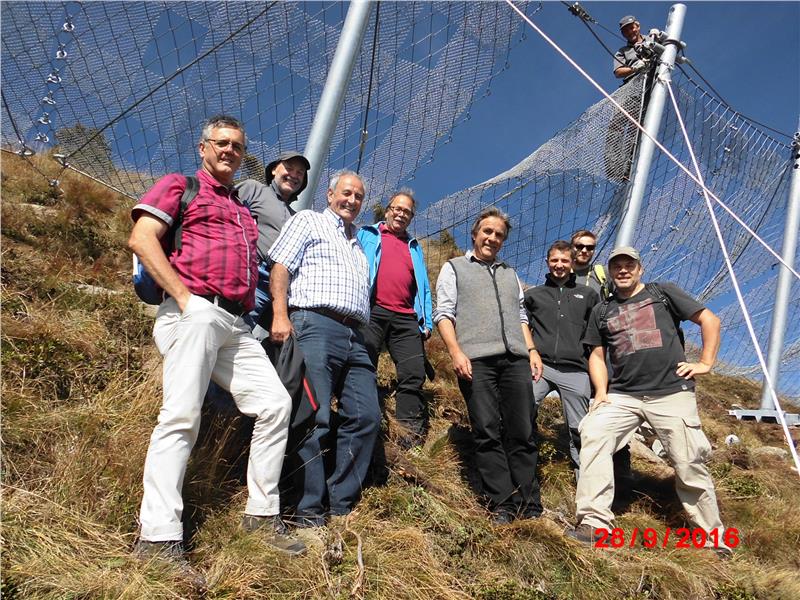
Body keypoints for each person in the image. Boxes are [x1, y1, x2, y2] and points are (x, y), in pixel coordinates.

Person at [128, 115, 305, 568]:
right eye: (222, 143)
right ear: (204, 147)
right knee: (181, 416)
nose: (229, 151)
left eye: (237, 146)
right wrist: (186, 300)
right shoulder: (181, 185)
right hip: (194, 311)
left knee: (275, 405)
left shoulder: (243, 209)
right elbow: (142, 239)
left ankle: (261, 516)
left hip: (235, 323)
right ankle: (158, 538)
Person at [569, 246, 731, 555]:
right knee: (593, 432)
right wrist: (601, 391)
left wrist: (706, 363)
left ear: (640, 269)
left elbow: (710, 319)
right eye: (617, 266)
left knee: (688, 462)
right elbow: (597, 355)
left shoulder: (662, 293)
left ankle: (713, 539)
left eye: (629, 265)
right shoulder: (602, 310)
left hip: (671, 392)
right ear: (610, 272)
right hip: (623, 395)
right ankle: (594, 523)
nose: (623, 270)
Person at [268, 170, 381, 528]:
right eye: (346, 193)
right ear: (330, 195)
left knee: (366, 417)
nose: (352, 200)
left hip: (355, 336)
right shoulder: (308, 221)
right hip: (314, 323)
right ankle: (307, 511)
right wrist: (280, 314)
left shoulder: (358, 246)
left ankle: (339, 503)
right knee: (312, 416)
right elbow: (281, 266)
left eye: (358, 196)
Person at [434, 208, 544, 523]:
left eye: (499, 235)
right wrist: (456, 352)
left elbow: (521, 316)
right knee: (487, 430)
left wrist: (531, 350)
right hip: (476, 360)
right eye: (487, 231)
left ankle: (529, 504)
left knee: (523, 431)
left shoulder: (510, 274)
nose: (492, 238)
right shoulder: (454, 268)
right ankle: (502, 504)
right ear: (475, 234)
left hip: (515, 360)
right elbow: (444, 313)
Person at [357, 189, 433, 447]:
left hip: (406, 317)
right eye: (397, 209)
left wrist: (427, 320)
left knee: (413, 372)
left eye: (407, 212)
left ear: (411, 218)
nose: (401, 214)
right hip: (372, 310)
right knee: (364, 363)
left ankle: (409, 438)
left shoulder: (414, 247)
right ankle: (363, 420)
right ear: (388, 210)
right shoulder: (367, 234)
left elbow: (423, 286)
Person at [525, 240, 599, 477]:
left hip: (576, 370)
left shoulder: (588, 295)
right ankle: (524, 468)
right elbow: (522, 326)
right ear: (547, 262)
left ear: (572, 263)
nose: (559, 265)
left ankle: (585, 481)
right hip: (540, 366)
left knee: (580, 429)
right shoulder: (533, 295)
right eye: (554, 260)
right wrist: (530, 353)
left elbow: (597, 335)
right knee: (523, 412)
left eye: (564, 260)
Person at [236, 151, 310, 334]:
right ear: (273, 170)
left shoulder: (297, 217)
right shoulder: (254, 189)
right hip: (251, 274)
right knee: (235, 328)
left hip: (281, 287)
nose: (294, 175)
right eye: (289, 168)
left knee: (286, 338)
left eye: (300, 173)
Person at [570, 230, 609, 298]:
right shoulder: (559, 275)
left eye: (589, 247)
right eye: (579, 246)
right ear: (571, 248)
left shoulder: (603, 273)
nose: (584, 251)